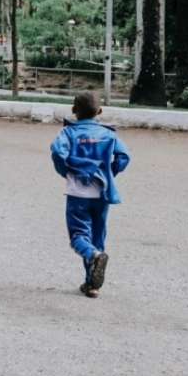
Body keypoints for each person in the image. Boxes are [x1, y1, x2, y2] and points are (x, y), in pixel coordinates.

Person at [50, 91, 132, 298]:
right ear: (100, 111)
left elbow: (58, 153)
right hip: (102, 193)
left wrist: (67, 171)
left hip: (77, 193)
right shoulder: (109, 134)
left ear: (73, 110)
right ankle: (92, 284)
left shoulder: (68, 133)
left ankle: (94, 257)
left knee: (79, 237)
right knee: (97, 236)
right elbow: (123, 156)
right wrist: (108, 173)